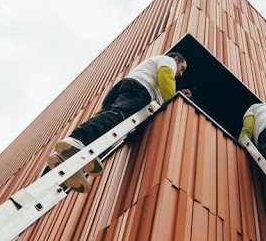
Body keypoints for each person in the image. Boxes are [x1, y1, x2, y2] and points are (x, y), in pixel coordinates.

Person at [48, 52, 191, 188]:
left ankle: (67, 160)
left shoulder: (152, 69)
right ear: (176, 60)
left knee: (110, 119)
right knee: (117, 117)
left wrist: (176, 94)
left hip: (126, 86)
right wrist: (172, 99)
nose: (181, 73)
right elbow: (166, 78)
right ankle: (77, 139)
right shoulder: (168, 61)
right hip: (139, 89)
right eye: (182, 68)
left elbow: (160, 91)